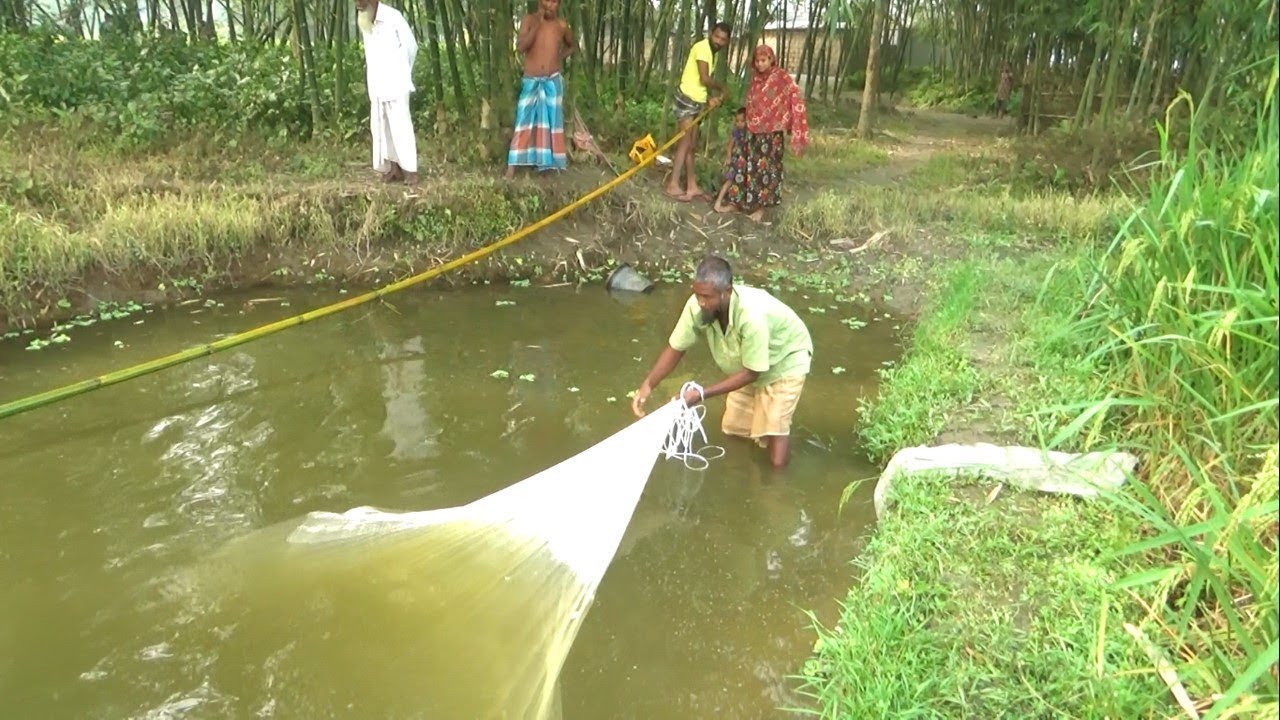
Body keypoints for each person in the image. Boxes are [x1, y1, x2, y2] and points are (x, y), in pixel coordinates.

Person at [631, 255, 813, 469]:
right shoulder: (697, 307)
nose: (701, 302)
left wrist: (701, 394)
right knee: (733, 429)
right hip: (747, 364)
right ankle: (743, 473)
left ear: (726, 292)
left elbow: (752, 373)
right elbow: (676, 347)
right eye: (697, 294)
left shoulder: (751, 317)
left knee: (774, 427)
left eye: (707, 297)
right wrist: (648, 384)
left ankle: (776, 484)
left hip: (785, 359)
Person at [718, 44, 808, 222]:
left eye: (764, 60)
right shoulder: (755, 78)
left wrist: (791, 119)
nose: (760, 64)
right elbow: (752, 102)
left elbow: (794, 94)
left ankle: (760, 208)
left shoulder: (780, 77)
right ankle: (740, 201)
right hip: (751, 130)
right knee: (747, 165)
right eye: (757, 61)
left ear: (771, 60)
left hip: (771, 133)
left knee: (766, 170)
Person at [506, 0, 576, 178]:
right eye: (547, 0)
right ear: (539, 2)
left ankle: (547, 165)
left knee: (551, 123)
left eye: (555, 2)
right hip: (531, 80)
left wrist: (559, 58)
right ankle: (512, 167)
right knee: (523, 121)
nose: (550, 5)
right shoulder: (529, 20)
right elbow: (521, 47)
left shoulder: (561, 25)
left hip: (552, 81)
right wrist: (537, 25)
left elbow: (572, 45)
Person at [664, 22, 731, 203]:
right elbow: (704, 78)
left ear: (727, 42)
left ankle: (692, 185)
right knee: (685, 142)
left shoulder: (711, 52)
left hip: (696, 100)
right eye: (716, 36)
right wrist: (722, 88)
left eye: (722, 39)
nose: (718, 41)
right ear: (711, 34)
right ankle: (673, 184)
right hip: (687, 99)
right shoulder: (702, 48)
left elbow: (701, 81)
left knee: (691, 144)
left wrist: (708, 97)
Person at [356, 0, 419, 184]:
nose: (357, 5)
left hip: (396, 83)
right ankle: (393, 168)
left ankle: (411, 171)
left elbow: (411, 47)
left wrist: (401, 71)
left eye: (360, 1)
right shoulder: (365, 22)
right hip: (377, 84)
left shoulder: (393, 18)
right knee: (382, 128)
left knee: (401, 127)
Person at [713, 107, 749, 214]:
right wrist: (728, 157)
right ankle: (718, 202)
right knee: (729, 180)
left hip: (745, 163)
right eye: (737, 121)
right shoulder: (736, 131)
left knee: (741, 183)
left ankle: (736, 205)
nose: (739, 124)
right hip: (736, 160)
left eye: (742, 121)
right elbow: (730, 145)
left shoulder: (749, 132)